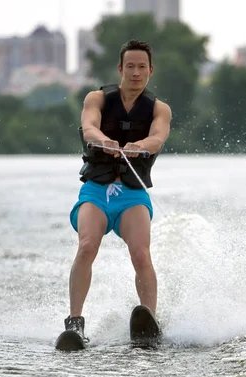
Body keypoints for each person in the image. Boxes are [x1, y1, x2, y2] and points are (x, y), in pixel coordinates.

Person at [62, 39, 172, 342]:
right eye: (130, 67)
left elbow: (158, 138)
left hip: (132, 195)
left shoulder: (159, 109)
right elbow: (89, 126)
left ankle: (149, 318)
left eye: (142, 68)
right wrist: (102, 139)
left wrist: (140, 146)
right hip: (96, 192)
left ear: (150, 71)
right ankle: (74, 323)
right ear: (120, 69)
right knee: (87, 246)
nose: (136, 73)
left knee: (141, 254)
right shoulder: (96, 98)